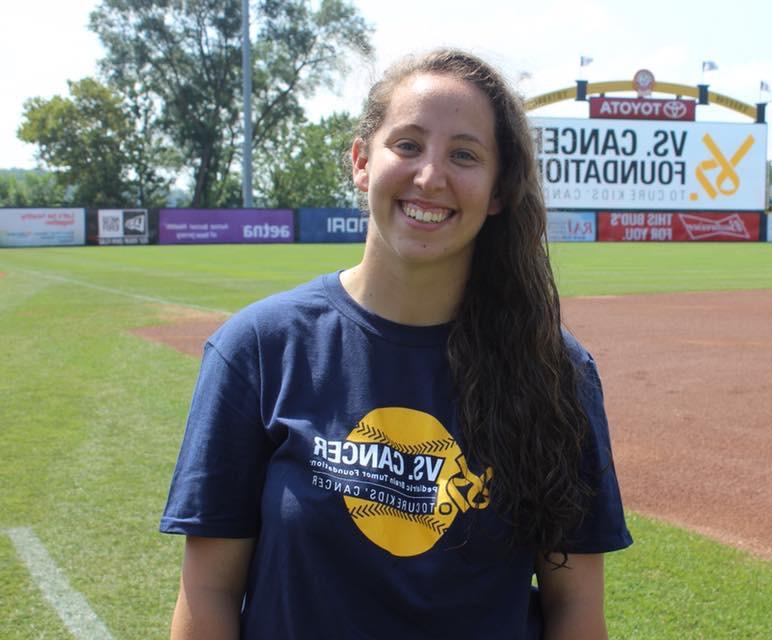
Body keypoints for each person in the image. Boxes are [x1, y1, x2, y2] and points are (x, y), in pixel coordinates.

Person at [160, 48, 631, 639]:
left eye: (464, 154)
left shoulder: (555, 370)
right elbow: (207, 592)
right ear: (362, 160)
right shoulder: (258, 350)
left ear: (499, 191)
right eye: (407, 145)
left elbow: (576, 608)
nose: (430, 177)